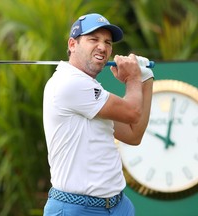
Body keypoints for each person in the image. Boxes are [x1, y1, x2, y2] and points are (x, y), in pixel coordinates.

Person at [43, 13, 154, 216]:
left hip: (119, 206)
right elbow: (133, 112)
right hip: (76, 209)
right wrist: (133, 79)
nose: (103, 47)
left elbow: (133, 134)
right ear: (72, 44)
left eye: (108, 42)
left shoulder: (91, 90)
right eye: (93, 39)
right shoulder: (69, 82)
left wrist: (146, 79)